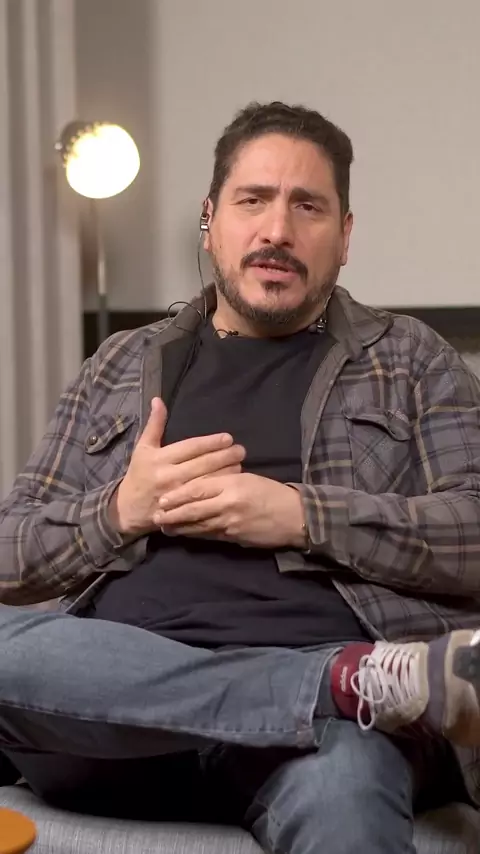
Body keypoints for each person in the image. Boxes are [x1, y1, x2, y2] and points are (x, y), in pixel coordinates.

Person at [1, 100, 480, 854]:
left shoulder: (411, 360)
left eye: (307, 206)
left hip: (324, 742)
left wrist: (304, 516)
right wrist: (121, 509)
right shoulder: (121, 363)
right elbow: (11, 553)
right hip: (115, 712)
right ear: (210, 219)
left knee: (349, 804)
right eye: (252, 200)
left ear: (345, 236)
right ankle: (343, 681)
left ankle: (339, 688)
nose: (277, 230)